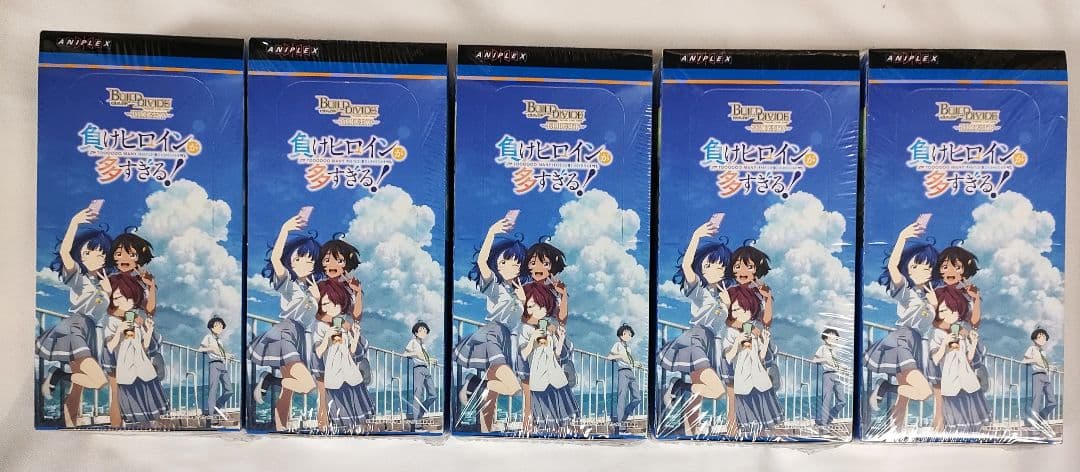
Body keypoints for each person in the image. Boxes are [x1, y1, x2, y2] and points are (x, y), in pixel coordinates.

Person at [199, 316, 233, 421]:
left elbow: (220, 353)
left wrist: (227, 355)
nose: (219, 328)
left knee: (229, 390)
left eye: (221, 327)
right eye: (217, 326)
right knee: (213, 389)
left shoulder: (220, 340)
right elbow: (200, 349)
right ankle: (211, 414)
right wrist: (211, 349)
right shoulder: (208, 337)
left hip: (222, 364)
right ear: (211, 327)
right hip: (214, 364)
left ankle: (216, 407)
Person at [813, 328, 846, 427]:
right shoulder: (822, 348)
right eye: (831, 337)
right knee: (826, 400)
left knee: (842, 400)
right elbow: (814, 360)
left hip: (837, 375)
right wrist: (825, 359)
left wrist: (842, 367)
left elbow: (836, 363)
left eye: (835, 338)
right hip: (828, 374)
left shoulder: (835, 351)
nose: (833, 340)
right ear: (825, 338)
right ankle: (824, 423)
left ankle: (829, 418)